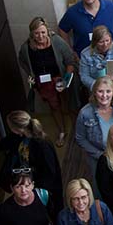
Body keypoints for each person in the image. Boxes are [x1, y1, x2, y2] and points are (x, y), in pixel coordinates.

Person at [0, 109, 63, 213]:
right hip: (29, 181)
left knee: (52, 212)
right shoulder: (18, 136)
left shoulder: (42, 144)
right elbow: (6, 142)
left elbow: (50, 173)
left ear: (17, 129)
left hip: (43, 187)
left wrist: (33, 189)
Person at [17, 17, 77, 146]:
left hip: (60, 78)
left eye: (43, 32)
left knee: (69, 103)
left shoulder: (57, 42)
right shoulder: (26, 48)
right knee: (54, 106)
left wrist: (66, 80)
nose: (40, 36)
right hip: (44, 83)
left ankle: (77, 130)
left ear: (47, 31)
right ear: (32, 34)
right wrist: (31, 74)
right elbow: (22, 61)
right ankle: (62, 131)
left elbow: (70, 60)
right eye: (37, 33)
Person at [79, 26, 113, 100]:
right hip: (99, 96)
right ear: (95, 42)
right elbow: (84, 76)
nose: (105, 44)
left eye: (107, 41)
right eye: (101, 42)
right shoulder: (85, 54)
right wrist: (99, 86)